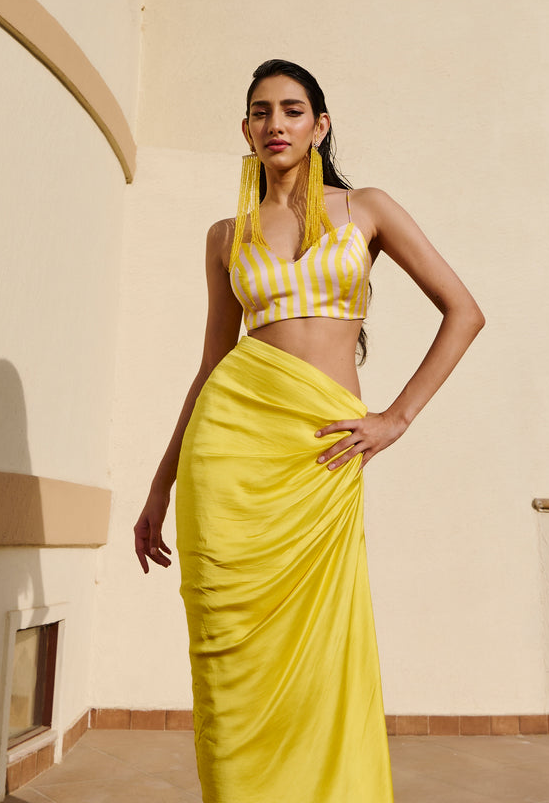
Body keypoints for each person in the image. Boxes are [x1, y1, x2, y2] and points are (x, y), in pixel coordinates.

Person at [134, 59, 485, 803]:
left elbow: (464, 311)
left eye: (292, 111)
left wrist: (396, 418)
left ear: (319, 125)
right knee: (229, 655)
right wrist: (159, 487)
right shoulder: (226, 234)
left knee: (320, 653)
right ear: (246, 130)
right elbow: (210, 366)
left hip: (322, 453)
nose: (276, 125)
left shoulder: (367, 210)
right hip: (227, 447)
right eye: (261, 113)